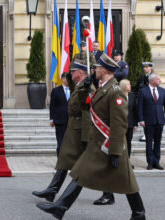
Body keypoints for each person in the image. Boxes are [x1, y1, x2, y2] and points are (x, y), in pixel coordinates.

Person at [37, 53, 146, 220]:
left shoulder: (115, 92)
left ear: (103, 70)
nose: (94, 70)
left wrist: (115, 151)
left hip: (109, 144)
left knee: (127, 182)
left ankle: (139, 213)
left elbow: (119, 125)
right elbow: (84, 107)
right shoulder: (102, 88)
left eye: (96, 68)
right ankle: (60, 207)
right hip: (98, 143)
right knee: (80, 173)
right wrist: (83, 88)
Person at [32, 60, 93, 203]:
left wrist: (85, 135)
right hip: (73, 128)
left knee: (93, 166)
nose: (70, 74)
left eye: (72, 71)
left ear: (79, 73)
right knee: (64, 159)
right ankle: (52, 191)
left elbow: (87, 112)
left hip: (81, 131)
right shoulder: (79, 85)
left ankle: (108, 193)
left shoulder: (87, 86)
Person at [137, 74, 165, 170]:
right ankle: (150, 162)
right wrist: (141, 119)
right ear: (152, 80)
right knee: (149, 143)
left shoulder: (162, 91)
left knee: (157, 142)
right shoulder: (143, 91)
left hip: (160, 121)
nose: (160, 81)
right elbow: (139, 107)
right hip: (148, 121)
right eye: (158, 79)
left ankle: (156, 162)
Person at [49, 73, 70, 156]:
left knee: (69, 142)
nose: (68, 80)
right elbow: (52, 106)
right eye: (66, 78)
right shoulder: (56, 91)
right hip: (60, 120)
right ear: (62, 79)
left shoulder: (74, 90)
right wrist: (52, 119)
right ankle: (60, 161)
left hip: (71, 120)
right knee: (60, 142)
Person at [119, 79, 138, 164]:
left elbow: (135, 110)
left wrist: (135, 123)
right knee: (120, 142)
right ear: (123, 86)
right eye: (128, 84)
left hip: (130, 123)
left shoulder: (131, 96)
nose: (130, 86)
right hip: (120, 123)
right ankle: (120, 160)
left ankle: (127, 161)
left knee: (128, 142)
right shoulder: (118, 95)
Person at [136, 62, 154, 142]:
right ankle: (146, 134)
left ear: (151, 68)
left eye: (147, 67)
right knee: (144, 118)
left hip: (150, 101)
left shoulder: (153, 77)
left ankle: (150, 134)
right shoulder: (142, 77)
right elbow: (137, 87)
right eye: (144, 67)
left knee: (150, 118)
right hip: (143, 100)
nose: (145, 68)